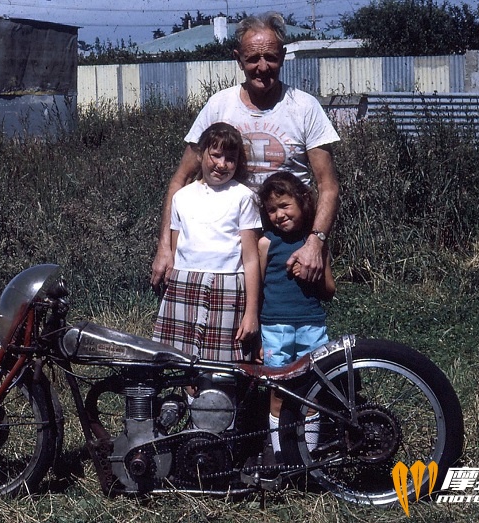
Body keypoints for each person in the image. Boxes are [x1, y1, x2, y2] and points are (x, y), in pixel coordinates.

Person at [151, 12, 340, 292]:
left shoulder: (304, 107)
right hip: (228, 241)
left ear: (283, 55)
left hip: (288, 240)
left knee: (291, 322)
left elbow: (328, 186)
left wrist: (315, 243)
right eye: (253, 59)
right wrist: (165, 247)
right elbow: (180, 180)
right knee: (233, 325)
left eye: (271, 58)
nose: (262, 67)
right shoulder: (219, 106)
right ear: (238, 59)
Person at [152, 122, 262, 362]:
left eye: (230, 159)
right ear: (201, 154)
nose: (222, 164)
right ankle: (187, 400)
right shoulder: (182, 197)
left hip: (228, 287)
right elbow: (176, 249)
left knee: (224, 369)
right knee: (181, 364)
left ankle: (222, 400)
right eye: (216, 155)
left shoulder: (243, 197)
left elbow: (251, 259)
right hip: (184, 284)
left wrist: (251, 312)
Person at [257, 171, 336, 458]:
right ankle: (280, 456)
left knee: (310, 390)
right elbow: (257, 290)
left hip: (311, 326)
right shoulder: (265, 243)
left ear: (302, 202)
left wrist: (310, 275)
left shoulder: (316, 244)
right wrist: (256, 335)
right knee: (277, 391)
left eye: (284, 205)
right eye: (272, 210)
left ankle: (308, 457)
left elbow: (329, 290)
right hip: (275, 327)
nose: (279, 215)